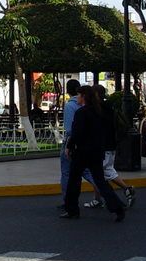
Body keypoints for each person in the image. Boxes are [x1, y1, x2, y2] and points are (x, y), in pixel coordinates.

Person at [61, 86, 126, 222]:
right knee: (100, 181)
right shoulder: (99, 112)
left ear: (84, 96)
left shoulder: (81, 113)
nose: (77, 98)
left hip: (82, 152)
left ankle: (71, 209)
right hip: (97, 151)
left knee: (74, 181)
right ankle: (117, 207)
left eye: (78, 95)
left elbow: (77, 133)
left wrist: (69, 147)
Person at [83, 84, 136, 209]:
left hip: (103, 146)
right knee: (103, 172)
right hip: (111, 144)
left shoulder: (99, 110)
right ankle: (97, 199)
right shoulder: (110, 107)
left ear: (95, 95)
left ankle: (126, 189)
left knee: (101, 173)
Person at [58, 79, 95, 210]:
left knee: (67, 172)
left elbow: (69, 130)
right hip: (87, 142)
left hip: (72, 143)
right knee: (88, 172)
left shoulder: (70, 106)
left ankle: (67, 200)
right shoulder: (88, 105)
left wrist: (68, 146)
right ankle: (103, 191)